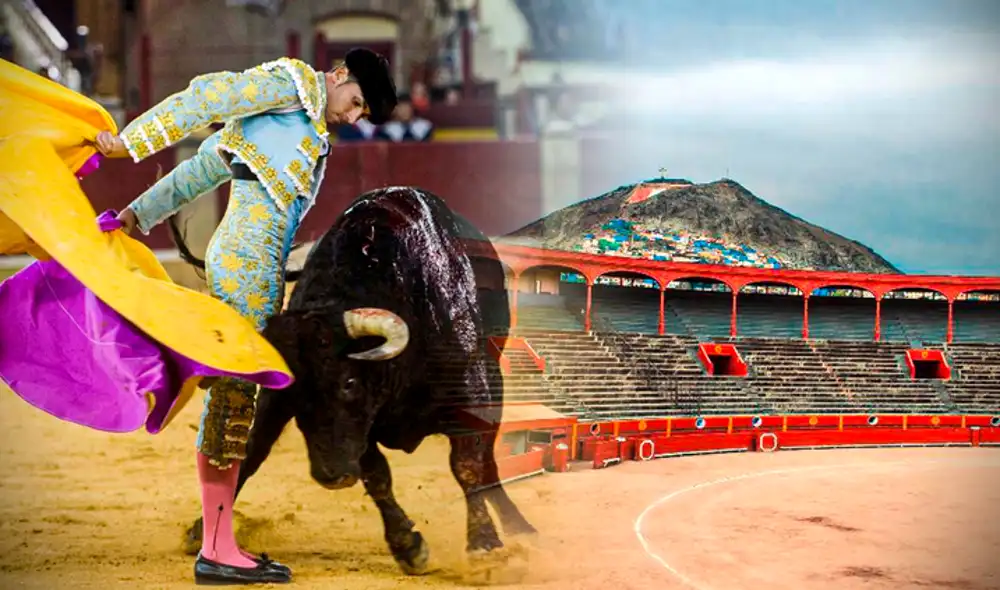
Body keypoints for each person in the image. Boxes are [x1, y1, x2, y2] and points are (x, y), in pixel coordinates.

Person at [92, 48, 397, 585]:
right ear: (340, 75)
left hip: (255, 267)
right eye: (355, 103)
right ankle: (216, 548)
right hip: (244, 264)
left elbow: (205, 166)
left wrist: (138, 213)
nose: (352, 118)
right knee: (234, 400)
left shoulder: (303, 127)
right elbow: (208, 94)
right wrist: (131, 141)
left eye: (361, 115)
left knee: (237, 399)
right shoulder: (289, 84)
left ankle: (219, 541)